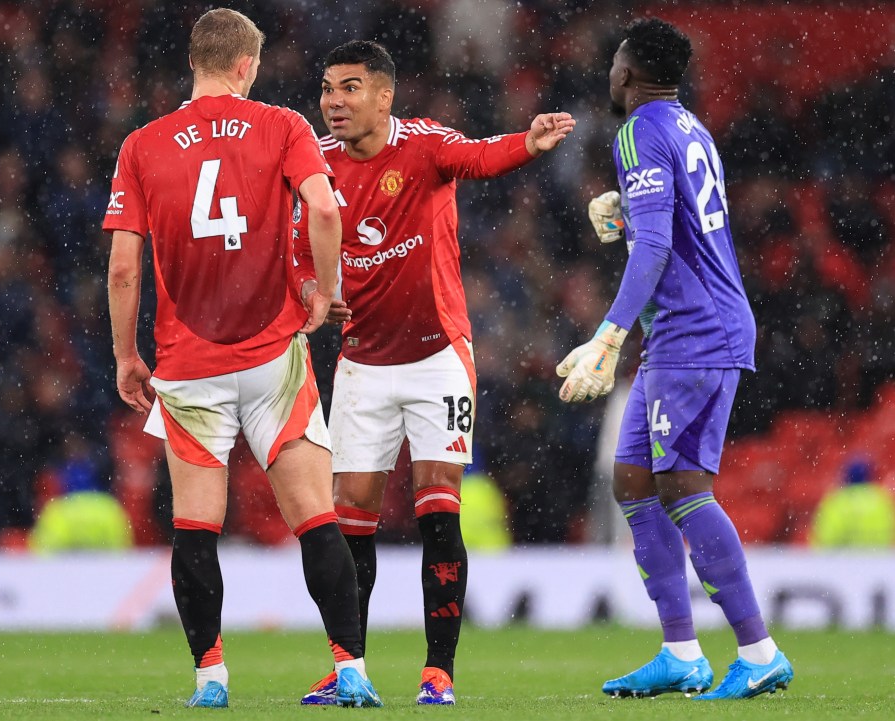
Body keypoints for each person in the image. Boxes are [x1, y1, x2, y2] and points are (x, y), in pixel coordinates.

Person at [103, 9, 380, 709]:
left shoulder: (142, 145)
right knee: (315, 515)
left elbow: (122, 270)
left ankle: (210, 677)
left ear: (196, 62)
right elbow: (324, 210)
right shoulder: (282, 126)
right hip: (271, 358)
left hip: (189, 363)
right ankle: (350, 666)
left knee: (196, 524)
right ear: (245, 65)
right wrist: (325, 290)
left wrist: (125, 355)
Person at [294, 40, 574, 706]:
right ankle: (348, 666)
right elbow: (295, 243)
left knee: (437, 511)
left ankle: (438, 670)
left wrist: (527, 143)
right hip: (362, 362)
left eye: (350, 87)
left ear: (384, 96)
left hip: (436, 358)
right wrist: (312, 286)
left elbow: (477, 156)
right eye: (328, 87)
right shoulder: (315, 166)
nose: (334, 100)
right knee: (350, 519)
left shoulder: (422, 145)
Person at [556, 18, 793, 700]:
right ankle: (680, 651)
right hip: (686, 331)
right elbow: (676, 225)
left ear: (627, 74)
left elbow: (658, 247)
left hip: (695, 331)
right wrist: (628, 211)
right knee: (633, 481)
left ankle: (758, 650)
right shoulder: (689, 126)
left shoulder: (638, 130)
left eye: (613, 66)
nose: (609, 76)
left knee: (685, 489)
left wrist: (607, 334)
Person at [811, 459, 895, 548]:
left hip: (842, 559)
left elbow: (823, 536)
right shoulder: (881, 499)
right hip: (878, 558)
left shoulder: (836, 500)